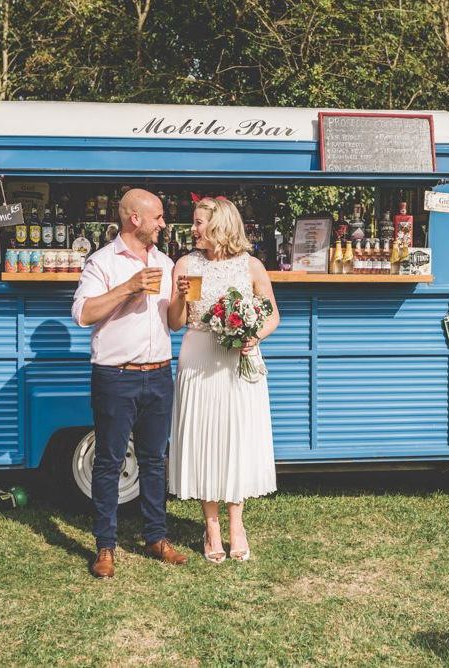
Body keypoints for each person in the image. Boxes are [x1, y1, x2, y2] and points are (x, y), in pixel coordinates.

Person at [71, 188, 188, 579]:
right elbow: (84, 314)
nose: (163, 223)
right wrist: (129, 287)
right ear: (134, 219)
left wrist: (182, 299)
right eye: (157, 216)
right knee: (109, 462)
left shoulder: (166, 261)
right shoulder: (102, 262)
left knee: (155, 461)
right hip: (116, 377)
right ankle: (105, 546)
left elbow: (173, 323)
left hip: (159, 374)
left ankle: (157, 537)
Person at [168, 197, 279, 563]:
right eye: (194, 222)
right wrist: (182, 297)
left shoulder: (251, 266)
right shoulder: (187, 264)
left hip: (239, 360)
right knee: (204, 438)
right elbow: (178, 320)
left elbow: (272, 315)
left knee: (237, 438)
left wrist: (255, 335)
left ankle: (237, 525)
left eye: (199, 223)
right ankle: (211, 526)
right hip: (199, 354)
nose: (193, 229)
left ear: (221, 226)